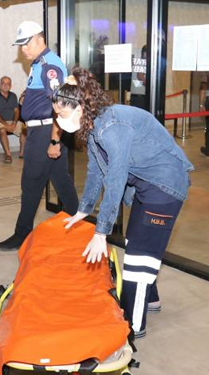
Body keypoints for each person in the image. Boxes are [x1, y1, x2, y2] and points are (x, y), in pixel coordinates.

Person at [59, 68, 194, 338]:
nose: (58, 119)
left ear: (79, 108)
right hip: (146, 184)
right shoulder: (94, 124)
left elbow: (116, 178)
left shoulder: (111, 127)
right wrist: (84, 209)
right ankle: (150, 299)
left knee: (138, 259)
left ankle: (132, 326)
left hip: (164, 186)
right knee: (136, 243)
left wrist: (101, 232)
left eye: (61, 114)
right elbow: (96, 170)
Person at [0, 21, 79, 250]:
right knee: (61, 181)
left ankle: (22, 234)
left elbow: (62, 106)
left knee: (31, 183)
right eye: (20, 45)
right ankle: (77, 224)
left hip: (46, 132)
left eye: (26, 43)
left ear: (39, 39)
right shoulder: (40, 63)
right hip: (45, 130)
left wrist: (54, 140)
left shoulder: (48, 65)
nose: (23, 49)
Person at [0, 76, 26, 163]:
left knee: (25, 129)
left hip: (12, 121)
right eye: (3, 83)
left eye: (8, 84)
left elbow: (17, 111)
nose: (5, 85)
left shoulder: (13, 96)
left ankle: (22, 153)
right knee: (2, 130)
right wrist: (6, 125)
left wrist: (14, 123)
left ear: (10, 86)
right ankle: (8, 155)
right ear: (0, 84)